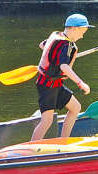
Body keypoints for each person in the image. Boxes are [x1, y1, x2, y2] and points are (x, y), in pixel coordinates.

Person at [30, 13, 92, 142]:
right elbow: (64, 67)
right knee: (47, 120)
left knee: (75, 108)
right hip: (47, 85)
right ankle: (30, 149)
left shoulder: (57, 35)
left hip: (55, 84)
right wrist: (80, 83)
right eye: (82, 32)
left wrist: (55, 55)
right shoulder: (65, 45)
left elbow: (43, 45)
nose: (82, 36)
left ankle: (63, 142)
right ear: (74, 28)